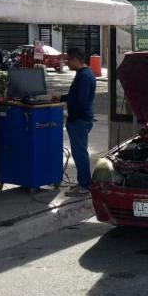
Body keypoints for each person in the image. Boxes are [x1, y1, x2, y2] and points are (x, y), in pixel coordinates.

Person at [59, 48, 96, 196]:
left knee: (80, 154)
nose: (66, 62)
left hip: (79, 120)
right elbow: (75, 95)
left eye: (68, 59)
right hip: (81, 119)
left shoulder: (84, 76)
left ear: (75, 59)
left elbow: (80, 101)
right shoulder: (83, 74)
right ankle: (83, 182)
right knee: (79, 152)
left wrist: (68, 113)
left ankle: (84, 185)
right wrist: (61, 98)